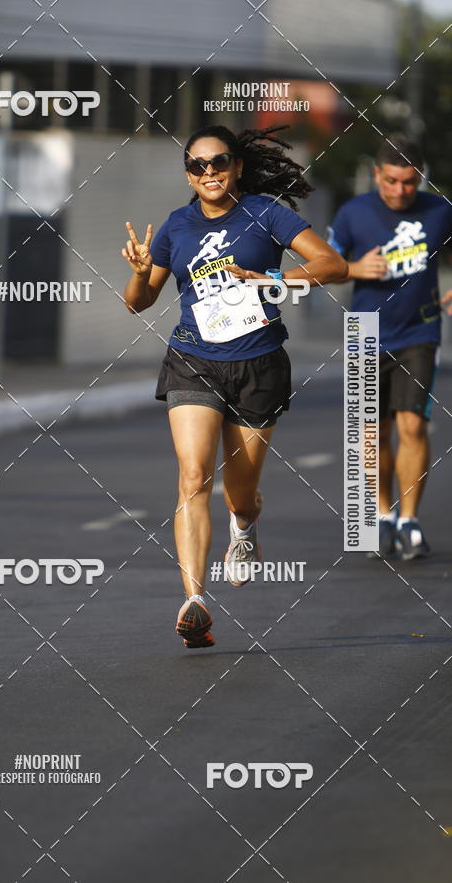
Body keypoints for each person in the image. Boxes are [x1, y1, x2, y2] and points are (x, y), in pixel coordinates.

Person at [121, 125, 347, 648]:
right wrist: (138, 272)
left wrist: (276, 280)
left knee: (239, 491)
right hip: (192, 360)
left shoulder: (267, 213)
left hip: (258, 364)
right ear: (188, 173)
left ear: (236, 166)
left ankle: (243, 527)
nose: (210, 173)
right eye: (198, 165)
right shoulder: (176, 226)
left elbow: (332, 264)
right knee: (194, 475)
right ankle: (195, 600)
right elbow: (138, 302)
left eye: (219, 162)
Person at [328, 135, 452, 560]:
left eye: (410, 183)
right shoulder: (353, 212)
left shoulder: (439, 210)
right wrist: (354, 268)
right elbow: (324, 265)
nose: (401, 191)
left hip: (420, 329)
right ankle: (381, 514)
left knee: (412, 425)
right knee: (371, 434)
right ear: (377, 174)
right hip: (364, 331)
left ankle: (410, 520)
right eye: (393, 181)